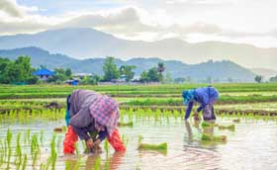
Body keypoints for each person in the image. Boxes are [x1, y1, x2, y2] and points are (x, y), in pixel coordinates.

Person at [63, 89, 126, 154]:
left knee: (112, 131)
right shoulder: (86, 111)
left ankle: (121, 151)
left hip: (90, 99)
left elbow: (109, 128)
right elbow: (74, 124)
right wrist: (87, 138)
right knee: (71, 131)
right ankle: (68, 155)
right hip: (75, 101)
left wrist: (100, 139)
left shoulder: (112, 108)